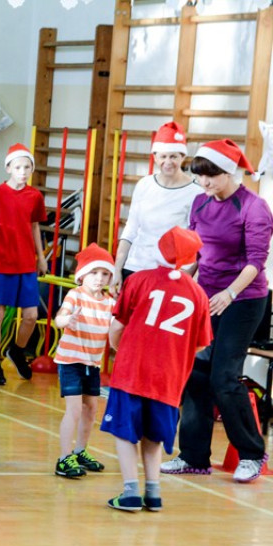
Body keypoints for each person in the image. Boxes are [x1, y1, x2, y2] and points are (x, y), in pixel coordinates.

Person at [161, 140, 273, 482]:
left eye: (211, 176)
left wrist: (229, 292)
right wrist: (178, 282)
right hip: (205, 296)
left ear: (230, 173)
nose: (204, 183)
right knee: (195, 374)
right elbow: (195, 254)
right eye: (201, 177)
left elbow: (256, 262)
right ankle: (193, 456)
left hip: (244, 299)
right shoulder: (199, 202)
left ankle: (253, 453)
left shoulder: (254, 207)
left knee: (224, 377)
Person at [103, 227, 211, 510]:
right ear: (191, 259)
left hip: (133, 371)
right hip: (170, 379)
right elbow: (200, 344)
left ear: (159, 249)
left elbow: (117, 326)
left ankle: (129, 492)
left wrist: (119, 348)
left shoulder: (139, 280)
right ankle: (153, 491)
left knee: (124, 432)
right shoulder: (198, 295)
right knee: (153, 434)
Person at [0, 143, 48, 385]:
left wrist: (41, 256)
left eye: (27, 167)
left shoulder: (35, 196)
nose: (23, 171)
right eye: (18, 167)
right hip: (0, 263)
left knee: (31, 315)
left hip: (26, 264)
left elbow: (34, 226)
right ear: (8, 168)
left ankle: (16, 350)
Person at [113, 121, 202, 291]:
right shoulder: (144, 184)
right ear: (155, 157)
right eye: (163, 156)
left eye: (173, 156)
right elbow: (130, 230)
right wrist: (117, 269)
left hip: (171, 274)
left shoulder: (196, 192)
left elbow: (199, 241)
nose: (168, 162)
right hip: (135, 267)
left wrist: (188, 276)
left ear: (183, 157)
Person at [52, 244, 115, 478]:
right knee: (75, 409)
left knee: (92, 408)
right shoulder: (75, 295)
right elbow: (58, 319)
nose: (99, 278)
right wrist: (66, 320)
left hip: (93, 363)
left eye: (105, 273)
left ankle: (80, 451)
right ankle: (63, 457)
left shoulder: (109, 302)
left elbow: (118, 326)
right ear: (82, 274)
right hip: (71, 360)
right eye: (94, 272)